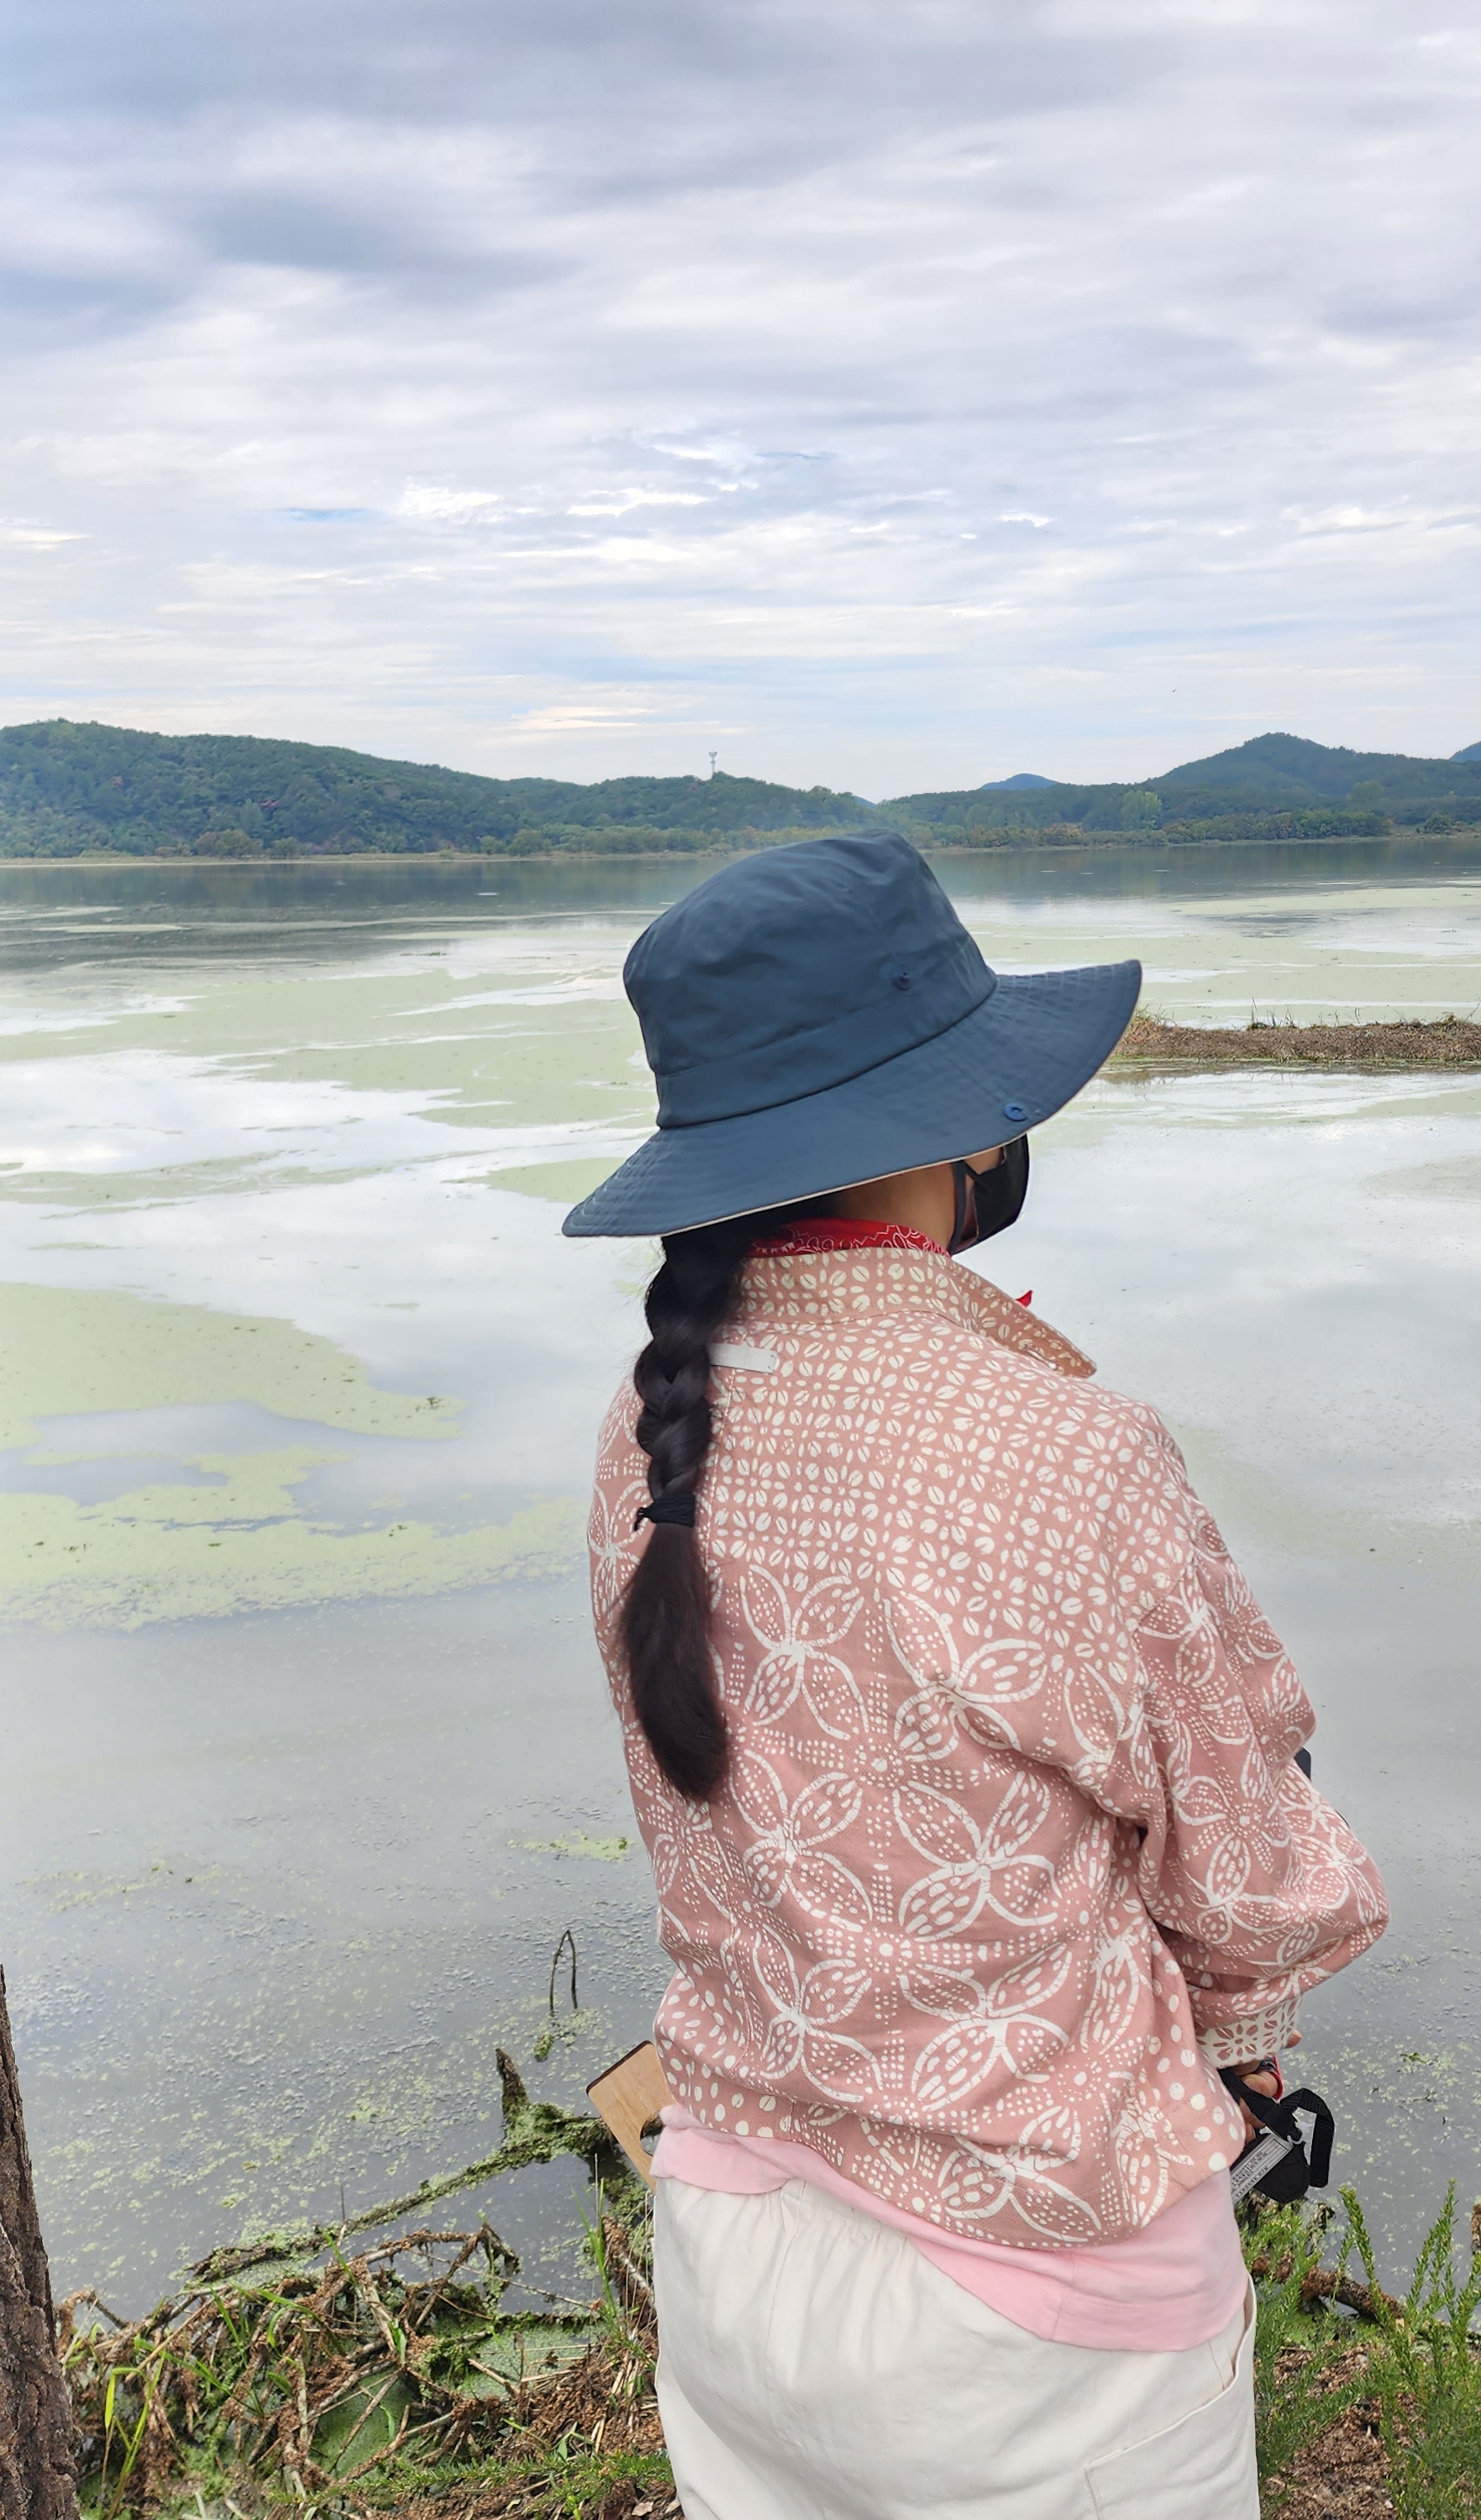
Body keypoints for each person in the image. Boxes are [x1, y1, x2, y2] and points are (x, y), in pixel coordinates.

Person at [563, 832, 1389, 2520]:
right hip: (1041, 2304)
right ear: (966, 1125)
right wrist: (1244, 2036)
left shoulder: (646, 1432)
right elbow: (1247, 1871)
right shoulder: (1063, 1452)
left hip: (732, 2245)